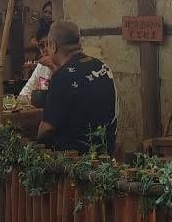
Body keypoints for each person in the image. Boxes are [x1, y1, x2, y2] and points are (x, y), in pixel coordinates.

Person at [38, 20, 116, 154]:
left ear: (53, 45)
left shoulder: (62, 76)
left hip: (75, 160)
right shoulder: (101, 66)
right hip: (105, 152)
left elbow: (47, 129)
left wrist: (36, 141)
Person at [19, 20, 53, 100]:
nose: (45, 49)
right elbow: (24, 94)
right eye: (42, 45)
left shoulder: (65, 66)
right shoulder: (41, 66)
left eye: (49, 44)